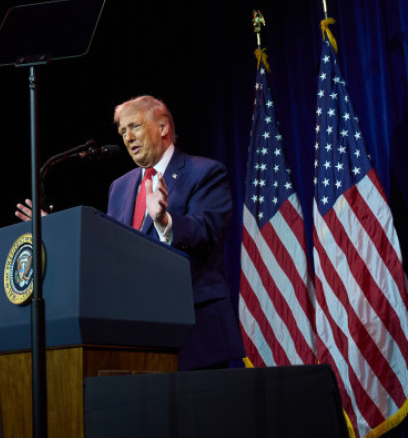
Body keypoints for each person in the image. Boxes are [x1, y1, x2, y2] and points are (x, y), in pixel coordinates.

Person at [16, 95, 244, 370]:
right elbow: (110, 248)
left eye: (134, 126)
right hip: (135, 332)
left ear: (163, 127)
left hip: (193, 328)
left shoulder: (204, 172)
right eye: (122, 131)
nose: (127, 137)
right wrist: (56, 231)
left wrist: (164, 221)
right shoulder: (120, 186)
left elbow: (206, 232)